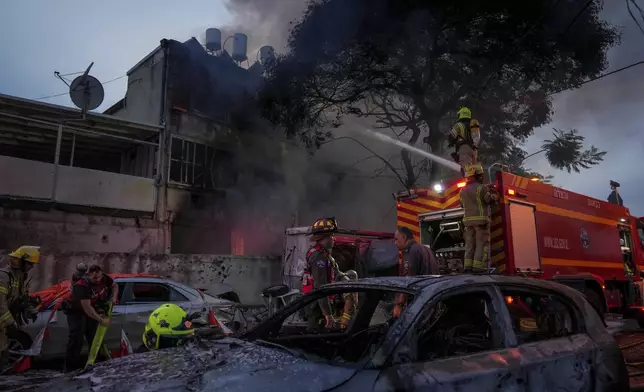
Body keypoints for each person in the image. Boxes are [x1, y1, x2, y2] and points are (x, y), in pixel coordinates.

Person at [63, 264, 118, 372]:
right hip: (77, 311)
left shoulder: (103, 277)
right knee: (76, 338)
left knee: (94, 336)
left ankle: (93, 363)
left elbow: (114, 285)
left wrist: (114, 297)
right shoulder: (81, 285)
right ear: (87, 275)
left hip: (91, 308)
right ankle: (69, 369)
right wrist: (102, 320)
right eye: (94, 278)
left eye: (99, 277)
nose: (98, 280)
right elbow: (87, 308)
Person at [0, 246, 40, 370]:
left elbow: (21, 297)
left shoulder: (20, 277)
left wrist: (30, 309)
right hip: (2, 318)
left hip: (3, 322)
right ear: (20, 261)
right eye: (30, 264)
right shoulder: (4, 277)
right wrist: (9, 322)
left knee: (3, 351)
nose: (31, 267)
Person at [460, 164, 499, 273]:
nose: (482, 177)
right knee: (481, 244)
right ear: (477, 175)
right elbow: (489, 200)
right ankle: (478, 268)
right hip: (481, 222)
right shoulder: (481, 188)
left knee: (470, 244)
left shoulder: (462, 190)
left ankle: (467, 267)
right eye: (480, 175)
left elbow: (462, 205)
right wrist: (494, 194)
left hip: (467, 223)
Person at [302, 217, 339, 331]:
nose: (334, 239)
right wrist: (327, 314)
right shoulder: (319, 256)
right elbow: (320, 287)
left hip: (318, 304)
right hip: (316, 306)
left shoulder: (323, 254)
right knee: (316, 337)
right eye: (331, 236)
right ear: (324, 238)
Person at [392, 227, 440, 317]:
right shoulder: (425, 249)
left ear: (404, 237)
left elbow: (409, 281)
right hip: (431, 299)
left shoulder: (411, 251)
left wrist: (399, 304)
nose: (395, 243)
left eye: (396, 239)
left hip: (420, 302)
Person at [448, 106, 481, 172]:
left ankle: (468, 180)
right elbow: (477, 137)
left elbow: (451, 136)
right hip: (474, 149)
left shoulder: (459, 125)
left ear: (461, 114)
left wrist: (452, 144)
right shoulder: (472, 123)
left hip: (463, 148)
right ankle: (476, 180)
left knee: (466, 169)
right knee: (473, 168)